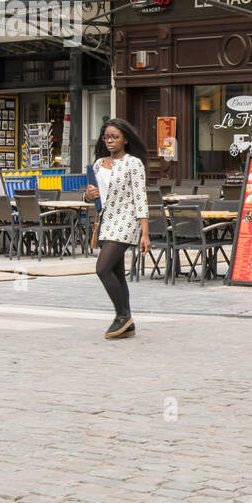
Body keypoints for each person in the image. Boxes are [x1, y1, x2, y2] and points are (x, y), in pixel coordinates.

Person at [84, 118, 150, 340]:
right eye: (106, 137)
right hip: (106, 221)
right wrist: (88, 195)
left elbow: (140, 198)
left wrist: (145, 233)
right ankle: (127, 322)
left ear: (125, 139)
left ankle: (122, 316)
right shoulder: (98, 164)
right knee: (117, 272)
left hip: (126, 220)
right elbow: (94, 194)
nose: (110, 141)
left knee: (102, 268)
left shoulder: (133, 163)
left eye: (114, 137)